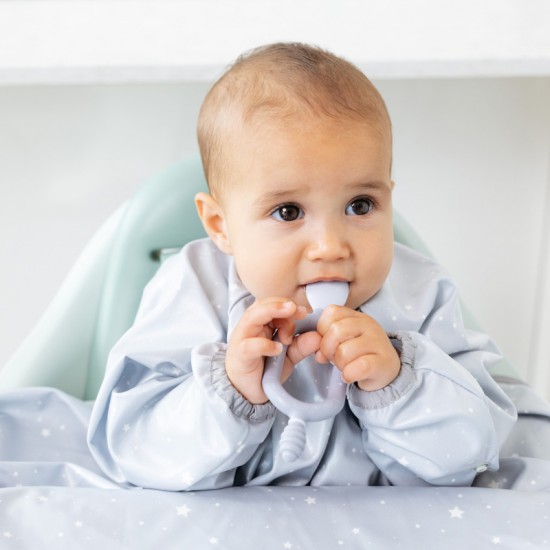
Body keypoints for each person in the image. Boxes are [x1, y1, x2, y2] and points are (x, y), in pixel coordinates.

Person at [87, 42, 516, 491]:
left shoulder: (421, 293)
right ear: (221, 225)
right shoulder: (193, 288)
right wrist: (230, 390)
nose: (330, 247)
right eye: (289, 212)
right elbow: (136, 445)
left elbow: (476, 454)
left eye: (360, 204)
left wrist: (399, 384)